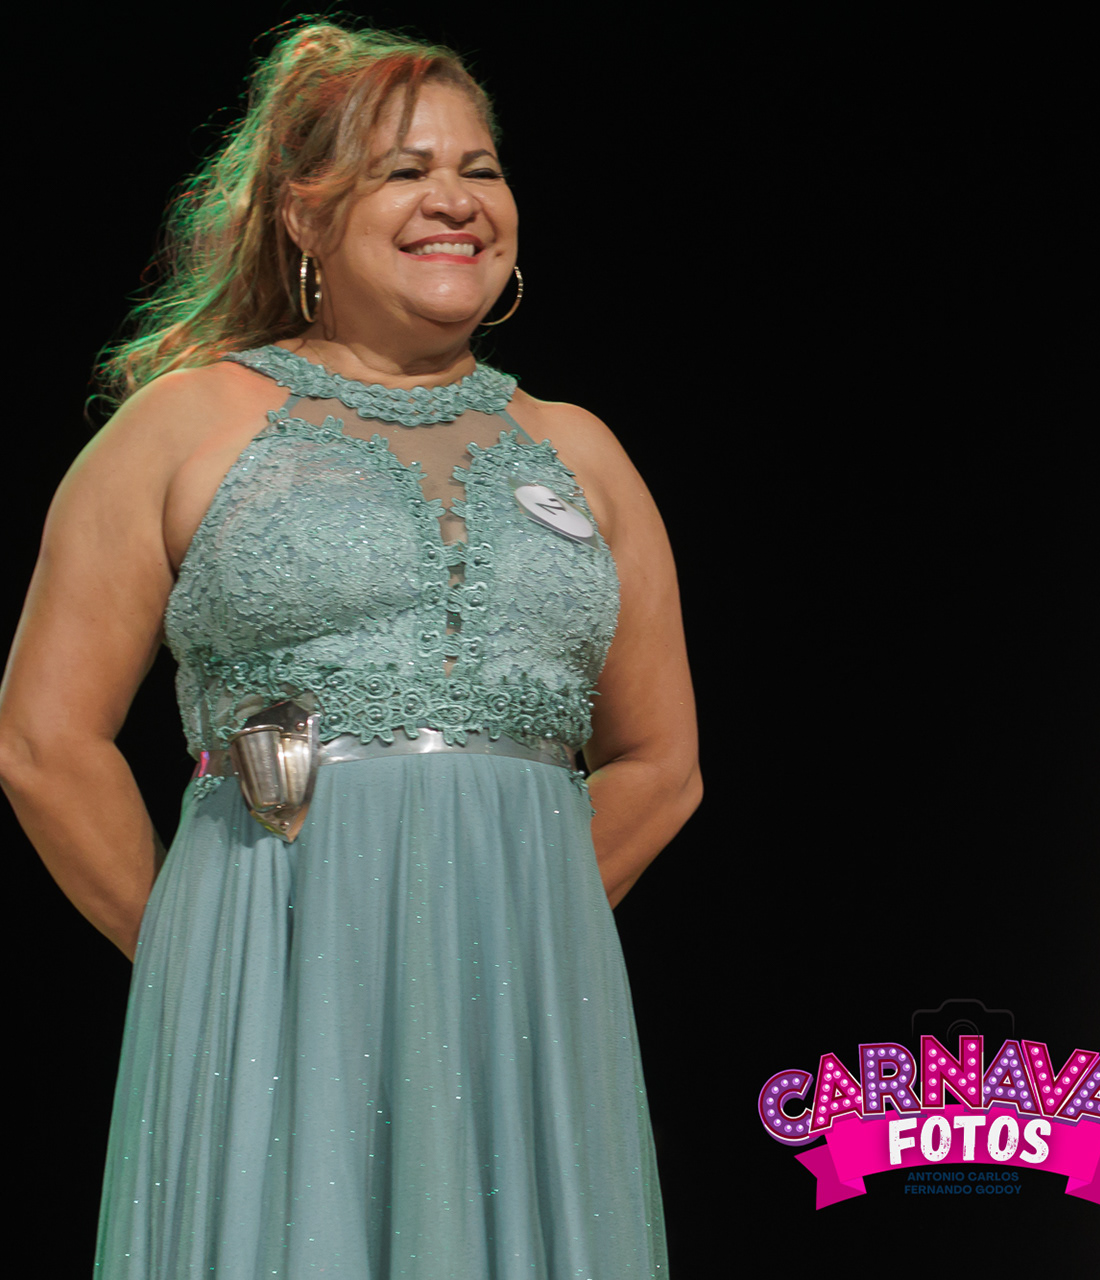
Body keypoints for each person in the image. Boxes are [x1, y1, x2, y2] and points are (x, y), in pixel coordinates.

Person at [0, 24, 695, 1278]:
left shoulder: (580, 450)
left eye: (480, 169)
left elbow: (663, 762)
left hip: (522, 1009)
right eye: (404, 171)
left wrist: (506, 928)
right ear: (305, 217)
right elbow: (47, 741)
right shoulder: (187, 424)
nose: (455, 200)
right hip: (266, 981)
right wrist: (206, 952)